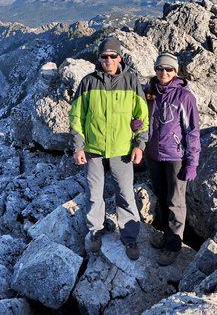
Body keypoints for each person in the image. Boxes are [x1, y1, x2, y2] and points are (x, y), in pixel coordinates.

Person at [69, 37, 149, 260]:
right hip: (93, 149)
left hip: (122, 149)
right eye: (104, 56)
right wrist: (78, 147)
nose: (109, 60)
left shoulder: (131, 81)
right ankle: (95, 231)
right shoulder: (87, 83)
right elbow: (76, 117)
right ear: (99, 59)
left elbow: (142, 117)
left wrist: (139, 144)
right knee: (95, 194)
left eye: (113, 56)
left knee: (125, 194)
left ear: (120, 58)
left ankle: (130, 238)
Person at [145, 53, 201, 266]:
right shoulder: (150, 92)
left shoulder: (184, 96)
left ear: (176, 72)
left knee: (175, 200)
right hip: (153, 155)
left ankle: (174, 244)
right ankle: (166, 235)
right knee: (160, 196)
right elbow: (140, 117)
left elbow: (193, 131)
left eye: (169, 69)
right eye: (160, 68)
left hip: (175, 156)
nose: (164, 73)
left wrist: (192, 162)